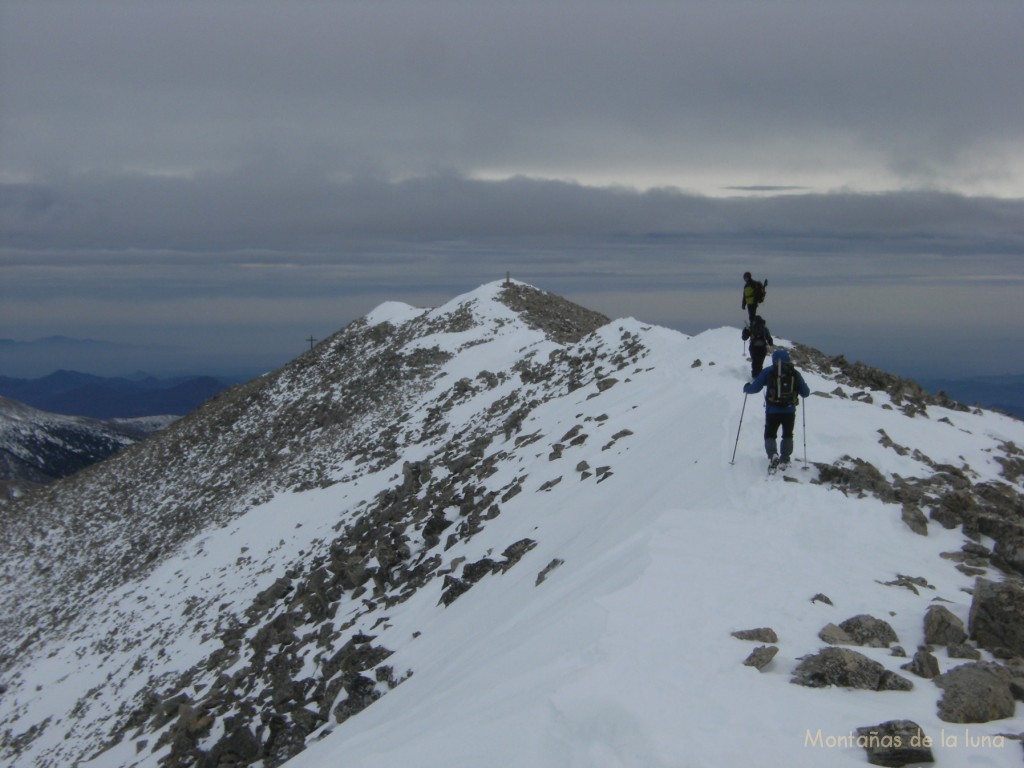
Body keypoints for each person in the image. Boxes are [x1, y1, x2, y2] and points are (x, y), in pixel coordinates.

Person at [743, 349, 810, 469]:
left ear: (774, 359)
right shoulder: (794, 373)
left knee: (770, 435)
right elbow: (806, 392)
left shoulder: (768, 371)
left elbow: (755, 388)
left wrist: (747, 388)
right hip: (789, 411)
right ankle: (785, 459)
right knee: (788, 435)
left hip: (772, 410)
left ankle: (773, 455)